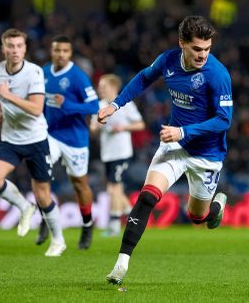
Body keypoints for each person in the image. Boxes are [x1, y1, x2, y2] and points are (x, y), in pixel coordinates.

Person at [98, 15, 233, 285]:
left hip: (206, 154)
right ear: (182, 43)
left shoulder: (218, 75)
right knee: (148, 196)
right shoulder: (168, 60)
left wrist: (183, 131)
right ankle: (121, 264)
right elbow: (143, 78)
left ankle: (215, 207)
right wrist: (115, 105)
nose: (202, 55)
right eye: (197, 48)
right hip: (174, 145)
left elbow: (224, 120)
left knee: (198, 217)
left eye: (207, 49)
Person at [0, 28, 66, 257]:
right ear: (3, 48)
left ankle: (58, 240)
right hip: (11, 138)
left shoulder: (34, 73)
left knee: (42, 194)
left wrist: (8, 96)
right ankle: (24, 207)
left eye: (19, 46)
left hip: (36, 139)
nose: (15, 50)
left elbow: (36, 109)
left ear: (25, 48)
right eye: (10, 46)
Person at [36, 35, 99, 249]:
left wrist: (69, 105)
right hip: (51, 135)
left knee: (80, 185)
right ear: (51, 52)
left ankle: (87, 225)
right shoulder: (43, 73)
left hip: (75, 139)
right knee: (40, 173)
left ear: (70, 53)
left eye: (65, 51)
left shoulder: (78, 77)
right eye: (57, 50)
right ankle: (47, 217)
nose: (60, 54)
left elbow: (94, 107)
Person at [90, 74, 145, 237]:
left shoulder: (125, 104)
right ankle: (134, 215)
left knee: (114, 187)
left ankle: (114, 224)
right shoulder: (99, 105)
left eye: (103, 86)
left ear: (113, 88)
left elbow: (140, 124)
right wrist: (98, 125)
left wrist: (123, 127)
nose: (100, 89)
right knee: (113, 188)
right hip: (107, 153)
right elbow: (93, 129)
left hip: (121, 152)